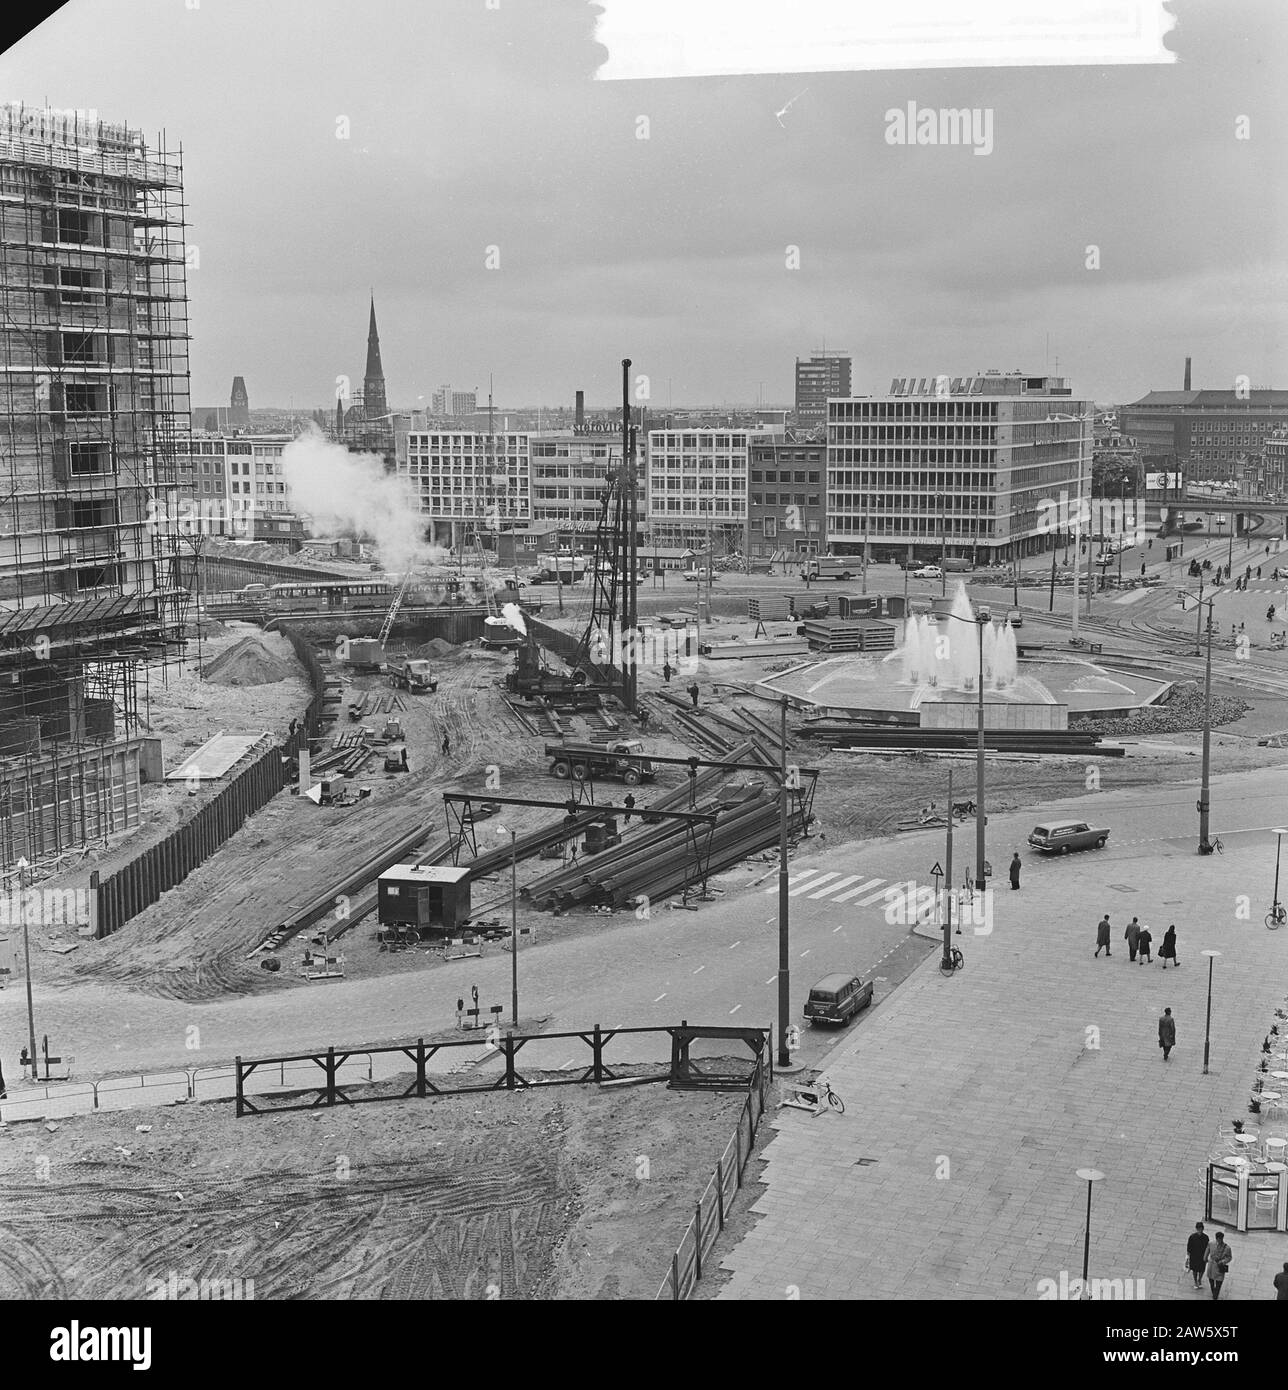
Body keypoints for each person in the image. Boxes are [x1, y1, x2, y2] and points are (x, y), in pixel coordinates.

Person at [1207, 1233, 1232, 1300]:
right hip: (1211, 1267)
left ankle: (1215, 1296)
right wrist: (1205, 1257)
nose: (1219, 1240)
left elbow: (1229, 1257)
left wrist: (1223, 1261)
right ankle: (1214, 1293)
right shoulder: (1211, 1244)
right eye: (1218, 1239)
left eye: (1220, 1239)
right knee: (1211, 1282)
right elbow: (1207, 1250)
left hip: (1219, 1268)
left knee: (1218, 1284)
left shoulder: (1227, 1248)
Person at [1186, 1223, 1210, 1291]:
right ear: (1196, 1229)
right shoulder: (1192, 1237)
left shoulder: (1206, 1237)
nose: (1200, 1230)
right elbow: (1189, 1247)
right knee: (1195, 1270)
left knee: (1202, 1269)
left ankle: (1199, 1279)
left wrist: (1206, 1256)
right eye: (1199, 1229)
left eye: (1201, 1229)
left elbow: (1208, 1248)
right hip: (1194, 1256)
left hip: (1202, 1256)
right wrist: (1188, 1255)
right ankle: (1195, 1281)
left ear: (1203, 1229)